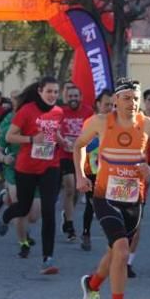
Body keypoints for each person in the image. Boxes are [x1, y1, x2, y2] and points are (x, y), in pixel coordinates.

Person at [75, 78, 150, 299]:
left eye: (136, 99)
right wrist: (80, 175)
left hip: (133, 199)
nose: (133, 103)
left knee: (116, 252)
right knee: (121, 248)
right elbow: (79, 146)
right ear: (115, 100)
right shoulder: (99, 122)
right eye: (127, 98)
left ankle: (93, 284)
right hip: (104, 195)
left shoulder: (149, 125)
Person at [0, 77, 65, 274]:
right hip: (26, 167)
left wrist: (63, 142)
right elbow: (10, 136)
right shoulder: (26, 111)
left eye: (55, 92)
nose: (52, 95)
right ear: (40, 91)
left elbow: (54, 132)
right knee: (23, 207)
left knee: (48, 210)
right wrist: (31, 139)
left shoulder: (58, 112)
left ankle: (47, 258)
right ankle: (6, 216)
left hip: (50, 166)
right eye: (49, 91)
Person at [0, 93, 41, 258]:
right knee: (22, 209)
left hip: (35, 170)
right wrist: (5, 158)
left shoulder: (41, 126)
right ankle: (23, 243)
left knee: (33, 216)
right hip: (14, 171)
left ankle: (5, 199)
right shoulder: (10, 127)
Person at [79, 89, 114, 251]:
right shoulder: (90, 122)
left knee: (112, 202)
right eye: (106, 104)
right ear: (98, 105)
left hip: (112, 170)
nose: (110, 108)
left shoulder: (119, 123)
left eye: (113, 105)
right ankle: (86, 233)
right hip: (92, 169)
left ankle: (115, 235)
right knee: (92, 204)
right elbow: (83, 146)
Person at [59, 84, 93, 242]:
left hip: (81, 155)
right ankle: (70, 227)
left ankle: (67, 214)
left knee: (78, 190)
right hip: (65, 154)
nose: (73, 99)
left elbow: (94, 131)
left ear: (80, 97)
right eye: (70, 96)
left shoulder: (88, 112)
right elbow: (54, 130)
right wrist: (63, 141)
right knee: (70, 187)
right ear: (67, 97)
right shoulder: (61, 112)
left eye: (75, 96)